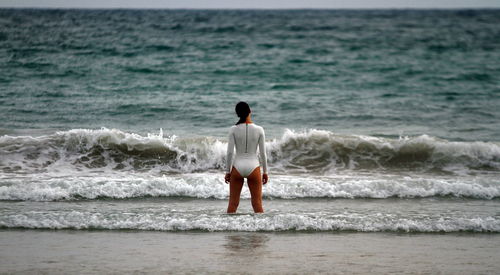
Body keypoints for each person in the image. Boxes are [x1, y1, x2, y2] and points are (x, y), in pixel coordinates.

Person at [225, 101, 268, 213]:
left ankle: (228, 228)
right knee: (257, 204)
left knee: (233, 204)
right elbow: (263, 154)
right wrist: (265, 172)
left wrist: (227, 172)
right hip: (254, 167)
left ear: (238, 114)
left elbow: (229, 153)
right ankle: (261, 229)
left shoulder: (233, 129)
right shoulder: (259, 130)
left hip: (237, 167)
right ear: (250, 111)